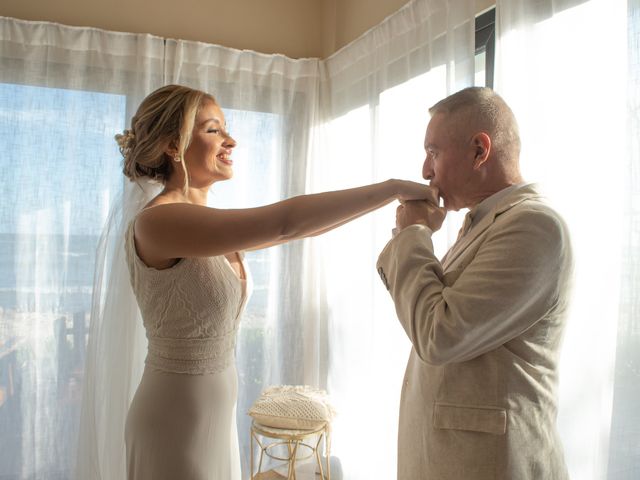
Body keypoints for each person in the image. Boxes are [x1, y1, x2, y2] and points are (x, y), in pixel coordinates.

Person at [114, 84, 435, 480]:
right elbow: (286, 225)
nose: (230, 140)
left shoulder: (206, 225)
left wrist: (393, 203)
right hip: (173, 419)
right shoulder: (158, 221)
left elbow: (299, 231)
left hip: (211, 415)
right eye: (213, 130)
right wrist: (391, 189)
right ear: (170, 144)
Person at [376, 87, 573, 479]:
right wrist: (411, 236)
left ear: (480, 150)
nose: (425, 171)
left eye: (433, 152)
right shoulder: (484, 223)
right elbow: (424, 308)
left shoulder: (534, 226)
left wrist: (414, 232)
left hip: (491, 465)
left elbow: (438, 334)